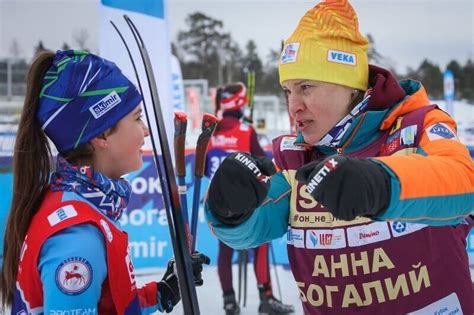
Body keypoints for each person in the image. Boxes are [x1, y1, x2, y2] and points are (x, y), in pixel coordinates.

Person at [204, 1, 474, 314]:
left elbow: (464, 183)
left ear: (350, 86)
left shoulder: (416, 126)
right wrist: (227, 209)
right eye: (288, 91)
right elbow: (252, 229)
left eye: (305, 87)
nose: (294, 106)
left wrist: (379, 184)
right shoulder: (294, 158)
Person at [0, 50, 210, 315]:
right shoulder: (77, 239)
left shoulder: (75, 200)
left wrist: (163, 292)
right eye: (136, 117)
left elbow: (112, 306)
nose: (145, 130)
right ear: (101, 135)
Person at [206, 82, 295, 315]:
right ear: (240, 103)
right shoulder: (246, 131)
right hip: (248, 203)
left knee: (224, 250)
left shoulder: (211, 131)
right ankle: (266, 297)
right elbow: (265, 166)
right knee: (260, 244)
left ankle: (229, 301)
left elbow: (205, 169)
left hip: (217, 204)